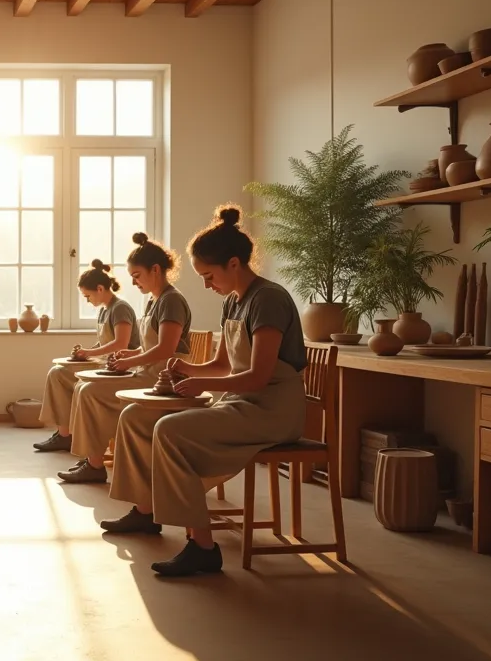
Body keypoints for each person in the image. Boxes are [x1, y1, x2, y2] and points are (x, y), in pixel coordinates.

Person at [101, 204, 307, 578]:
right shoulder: (233, 301)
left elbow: (258, 376)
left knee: (169, 431)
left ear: (234, 263)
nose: (206, 285)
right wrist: (186, 368)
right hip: (239, 401)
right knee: (135, 417)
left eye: (208, 275)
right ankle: (146, 511)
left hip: (271, 411)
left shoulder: (269, 299)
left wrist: (201, 384)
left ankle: (203, 548)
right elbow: (222, 365)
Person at [59, 233, 193, 484]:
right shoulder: (154, 301)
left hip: (164, 380)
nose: (133, 283)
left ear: (155, 270)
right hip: (148, 373)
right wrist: (131, 353)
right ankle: (93, 459)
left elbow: (166, 349)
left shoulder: (171, 300)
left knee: (90, 392)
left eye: (137, 276)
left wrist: (130, 361)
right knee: (86, 388)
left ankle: (94, 464)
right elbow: (150, 346)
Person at [34, 259, 140, 453]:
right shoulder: (104, 311)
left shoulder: (120, 308)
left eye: (87, 296)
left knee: (75, 382)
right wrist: (85, 352)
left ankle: (79, 440)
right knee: (57, 373)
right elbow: (105, 343)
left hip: (124, 368)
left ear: (100, 289)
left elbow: (121, 344)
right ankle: (64, 434)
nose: (87, 300)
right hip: (104, 365)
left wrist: (90, 353)